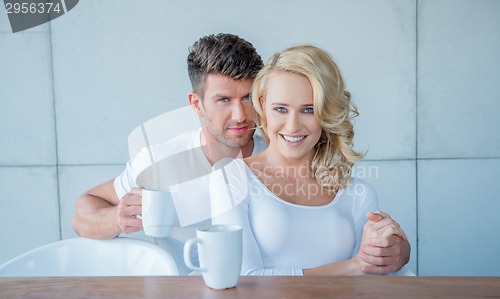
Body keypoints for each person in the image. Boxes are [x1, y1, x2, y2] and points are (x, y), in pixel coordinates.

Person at [72, 34, 410, 275]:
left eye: (248, 98)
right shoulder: (159, 164)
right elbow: (85, 208)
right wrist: (117, 219)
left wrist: (394, 252)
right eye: (223, 100)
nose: (240, 115)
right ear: (197, 104)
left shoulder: (284, 145)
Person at [211, 45, 411, 275]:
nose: (293, 126)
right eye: (281, 109)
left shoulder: (358, 193)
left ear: (327, 112)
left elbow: (367, 280)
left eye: (309, 109)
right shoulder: (231, 179)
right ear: (263, 105)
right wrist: (354, 265)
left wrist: (392, 248)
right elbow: (242, 279)